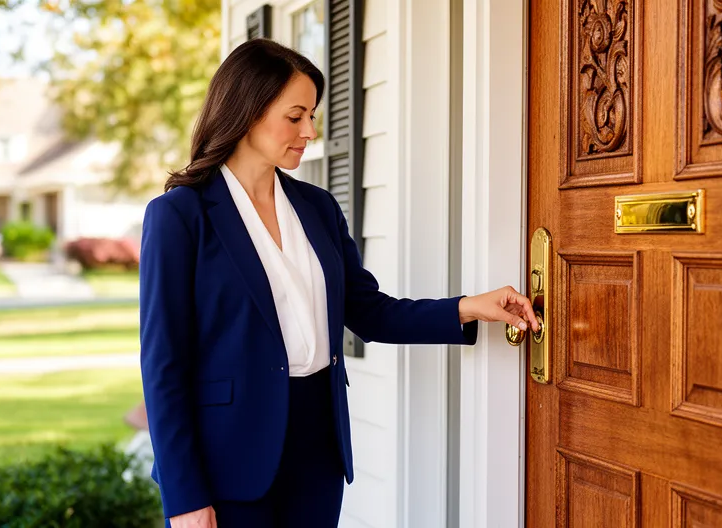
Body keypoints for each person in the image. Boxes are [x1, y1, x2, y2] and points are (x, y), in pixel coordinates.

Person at [139, 38, 539, 528]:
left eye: (313, 115)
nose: (310, 130)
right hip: (228, 456)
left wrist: (470, 307)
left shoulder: (317, 208)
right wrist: (184, 497)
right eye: (296, 115)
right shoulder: (180, 215)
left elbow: (368, 310)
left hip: (317, 447)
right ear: (246, 111)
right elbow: (164, 365)